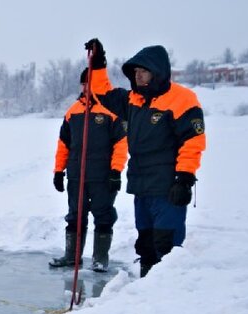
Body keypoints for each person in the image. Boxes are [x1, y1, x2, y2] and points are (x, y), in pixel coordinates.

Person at [84, 38, 207, 278]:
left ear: (158, 72)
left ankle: (168, 289)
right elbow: (101, 94)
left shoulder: (182, 99)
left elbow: (192, 141)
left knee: (166, 241)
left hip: (168, 184)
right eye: (136, 72)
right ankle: (146, 289)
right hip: (141, 183)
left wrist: (184, 177)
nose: (138, 77)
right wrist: (98, 63)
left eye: (144, 72)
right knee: (146, 241)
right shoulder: (132, 100)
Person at [49, 68, 128, 272]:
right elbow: (63, 144)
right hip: (77, 176)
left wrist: (115, 171)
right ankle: (71, 256)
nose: (85, 88)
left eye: (89, 83)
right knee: (75, 215)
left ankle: (100, 258)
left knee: (103, 215)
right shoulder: (73, 112)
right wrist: (58, 171)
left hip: (103, 177)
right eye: (83, 84)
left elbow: (121, 144)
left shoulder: (109, 112)